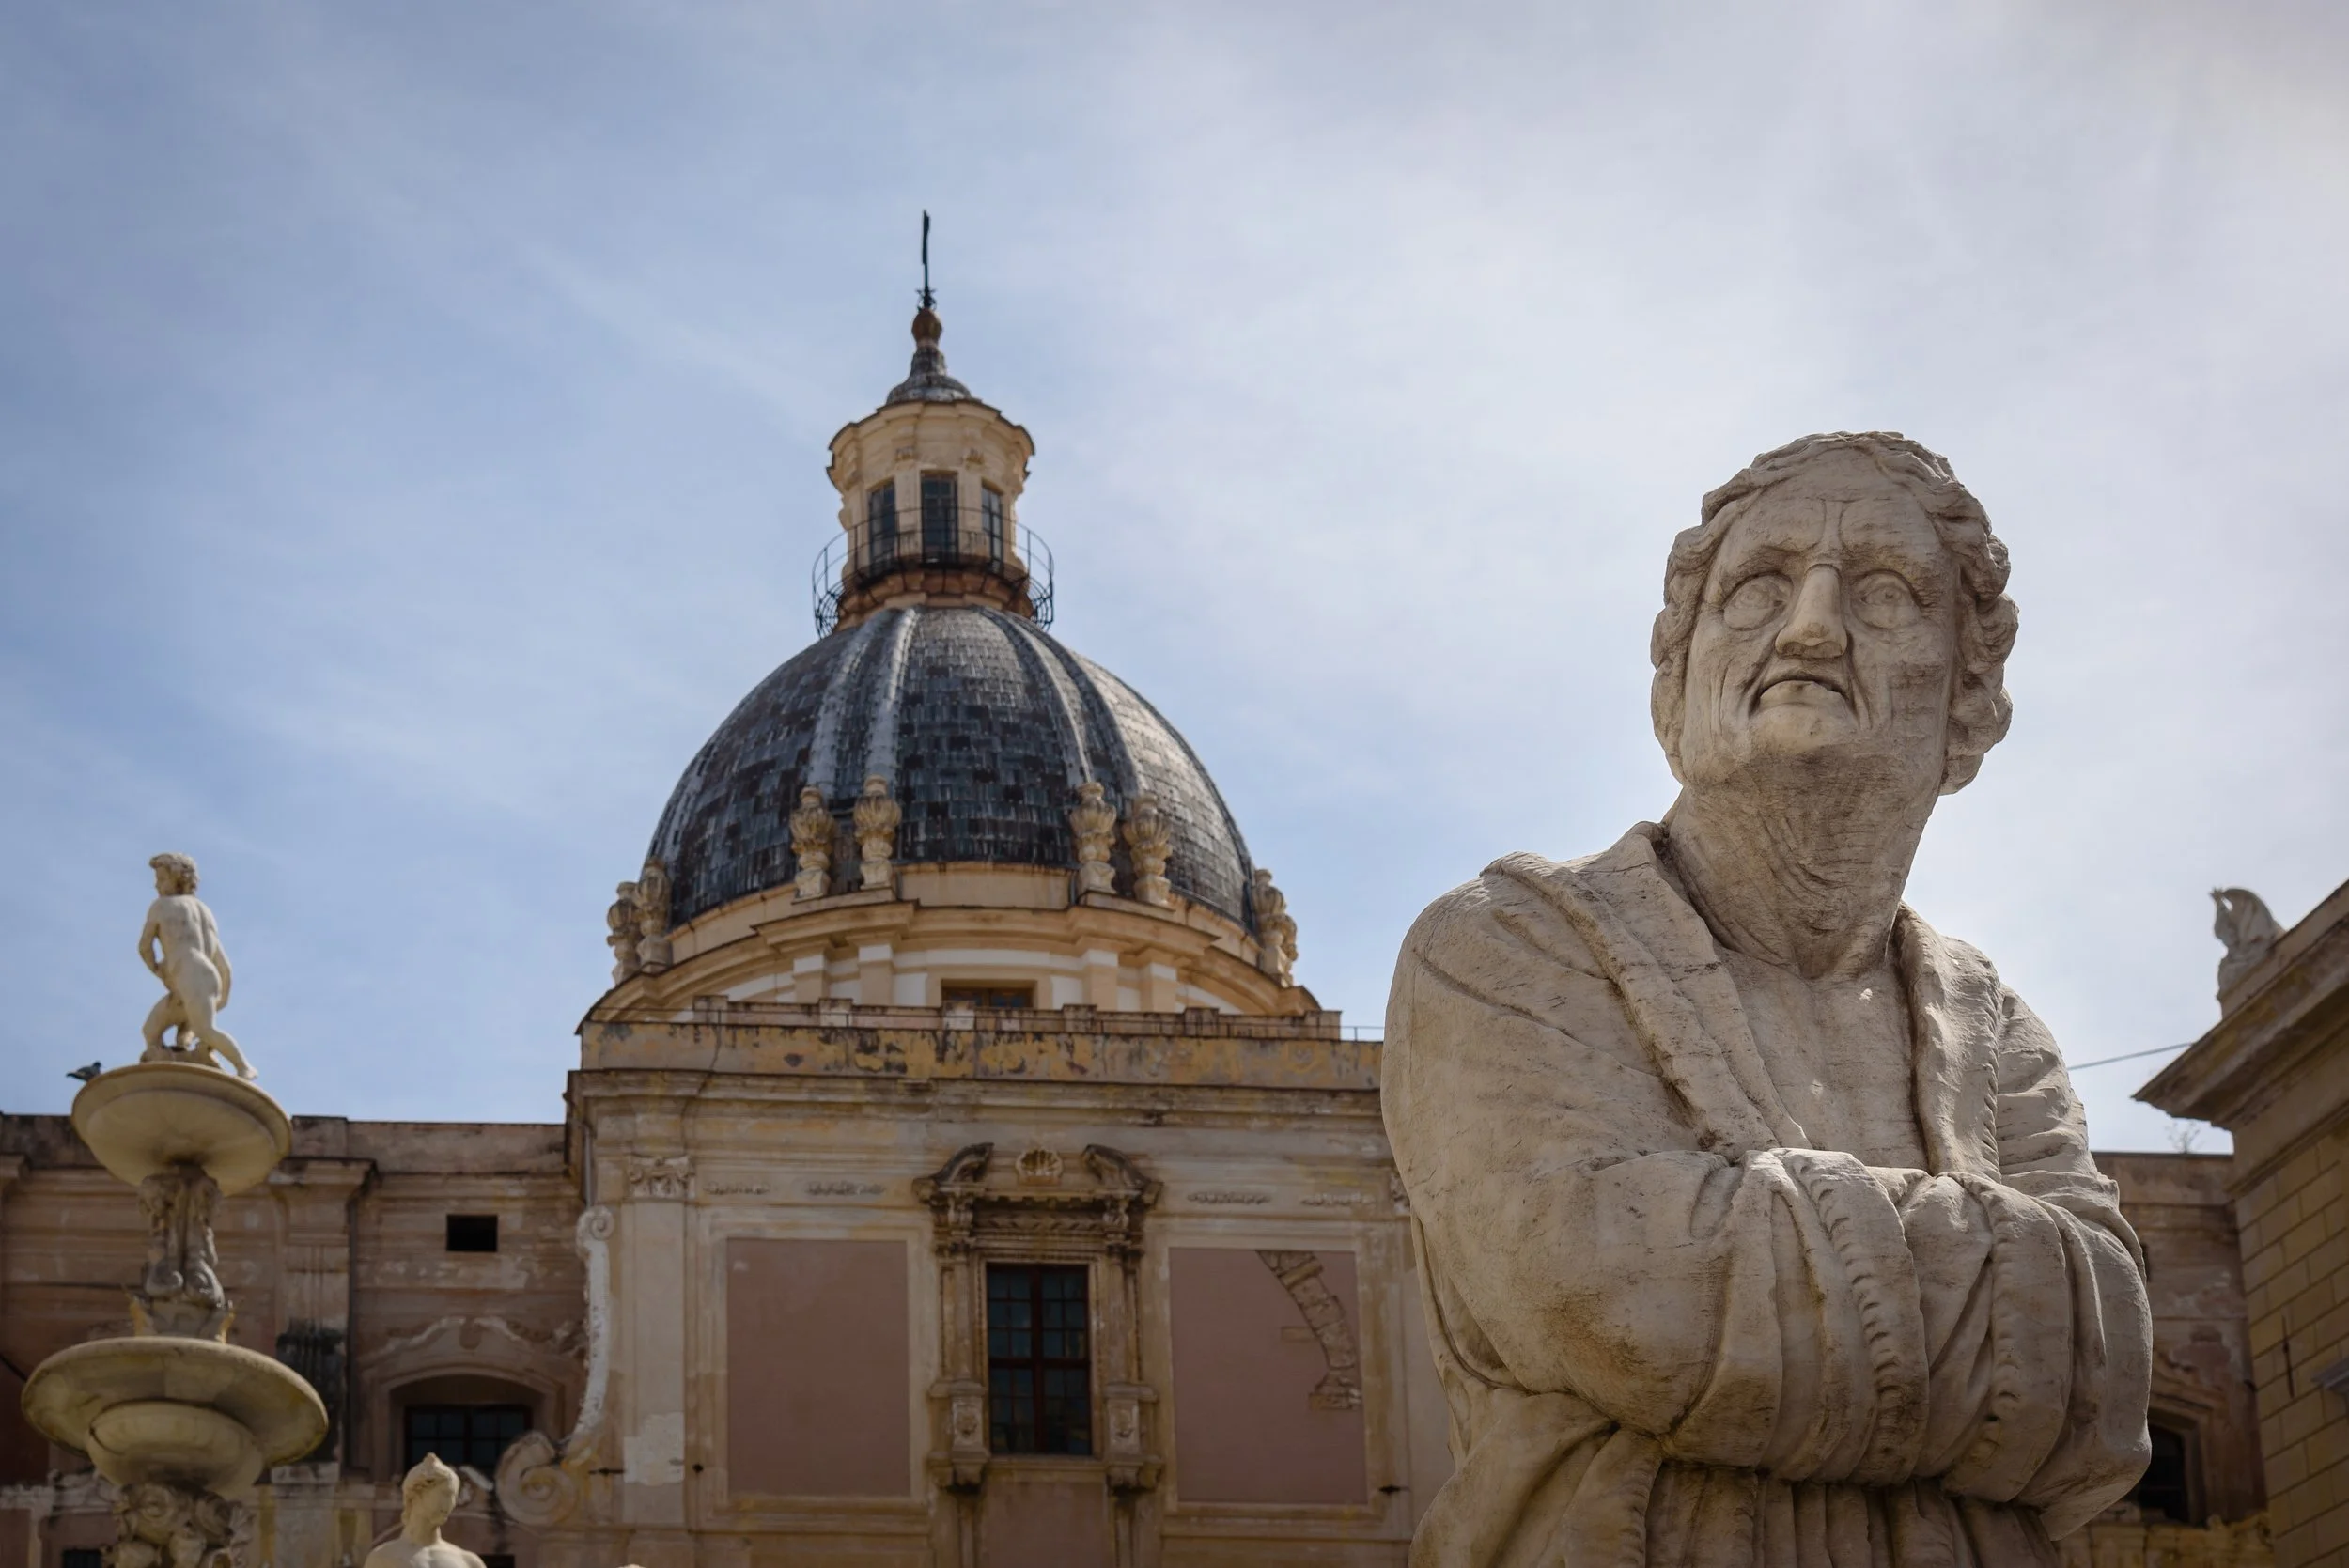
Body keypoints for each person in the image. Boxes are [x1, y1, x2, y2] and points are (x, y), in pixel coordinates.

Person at [1384, 433, 2150, 1565]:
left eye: (1884, 593)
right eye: (1758, 586)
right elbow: (1626, 1308)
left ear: (1969, 704)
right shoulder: (1502, 949)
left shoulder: (2000, 1040)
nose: (1808, 627)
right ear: (1672, 679)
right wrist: (2002, 1291)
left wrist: (1753, 1254)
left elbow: (2109, 1374)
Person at [138, 853, 256, 1079]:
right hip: (203, 979)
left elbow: (144, 947)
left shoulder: (161, 906)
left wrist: (159, 970)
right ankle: (189, 1058)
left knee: (205, 1030)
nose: (156, 885)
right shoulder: (205, 912)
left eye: (162, 879)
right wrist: (222, 997)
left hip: (190, 977)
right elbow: (224, 964)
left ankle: (244, 1067)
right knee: (151, 1030)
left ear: (178, 880)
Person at [363, 1455, 487, 1568]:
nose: (450, 1504)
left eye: (453, 1496)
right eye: (445, 1494)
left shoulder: (468, 1562)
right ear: (418, 1493)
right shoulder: (382, 1559)